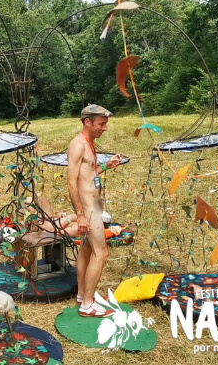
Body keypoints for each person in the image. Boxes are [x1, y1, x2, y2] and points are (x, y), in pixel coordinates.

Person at [67, 104, 125, 317]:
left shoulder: (89, 143)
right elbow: (72, 182)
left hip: (95, 204)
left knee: (87, 249)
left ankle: (82, 295)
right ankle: (87, 305)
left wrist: (107, 166)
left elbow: (90, 175)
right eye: (101, 124)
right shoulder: (78, 145)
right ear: (87, 122)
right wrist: (81, 215)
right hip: (88, 207)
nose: (104, 128)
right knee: (102, 252)